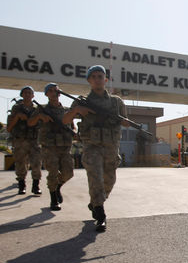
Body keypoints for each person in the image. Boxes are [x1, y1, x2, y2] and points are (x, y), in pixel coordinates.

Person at [63, 65, 128, 232]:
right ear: (89, 80)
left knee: (109, 181)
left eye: (100, 76)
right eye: (94, 76)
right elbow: (64, 120)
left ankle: (95, 202)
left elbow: (125, 121)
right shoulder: (82, 101)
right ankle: (100, 214)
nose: (98, 79)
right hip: (92, 146)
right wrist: (77, 110)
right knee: (95, 179)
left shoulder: (116, 102)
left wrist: (123, 120)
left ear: (105, 80)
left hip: (111, 147)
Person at [29, 83, 74, 211]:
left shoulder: (66, 110)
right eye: (50, 91)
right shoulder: (42, 109)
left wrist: (75, 133)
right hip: (49, 146)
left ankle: (57, 187)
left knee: (68, 173)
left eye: (56, 90)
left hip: (65, 146)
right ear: (46, 94)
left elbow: (72, 125)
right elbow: (30, 122)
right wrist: (39, 116)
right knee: (53, 172)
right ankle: (53, 198)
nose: (54, 92)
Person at [7, 86, 42, 195]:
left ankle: (36, 185)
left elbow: (41, 125)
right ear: (22, 95)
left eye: (29, 93)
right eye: (25, 93)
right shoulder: (16, 108)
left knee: (36, 163)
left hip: (34, 140)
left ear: (33, 96)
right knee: (20, 163)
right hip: (20, 140)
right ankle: (21, 185)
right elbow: (9, 127)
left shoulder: (37, 109)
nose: (27, 95)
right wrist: (17, 117)